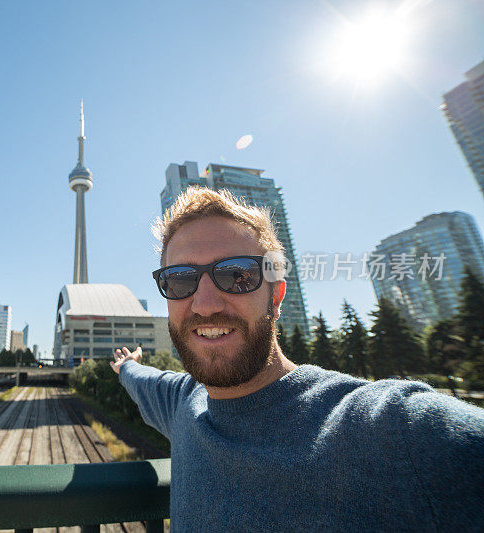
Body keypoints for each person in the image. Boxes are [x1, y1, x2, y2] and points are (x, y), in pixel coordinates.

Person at [110, 186, 484, 532]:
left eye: (237, 276)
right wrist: (127, 364)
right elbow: (142, 379)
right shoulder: (183, 402)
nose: (205, 304)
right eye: (180, 280)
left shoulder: (388, 431)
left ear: (276, 296)